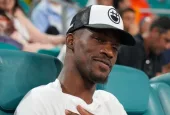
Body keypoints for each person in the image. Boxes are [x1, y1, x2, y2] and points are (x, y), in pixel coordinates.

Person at [15, 5, 135, 115]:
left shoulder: (111, 104)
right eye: (100, 40)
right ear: (71, 41)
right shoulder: (39, 102)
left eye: (115, 47)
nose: (109, 52)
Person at [0, 0, 65, 45]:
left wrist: (63, 39)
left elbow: (39, 37)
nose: (7, 0)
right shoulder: (41, 9)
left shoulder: (17, 13)